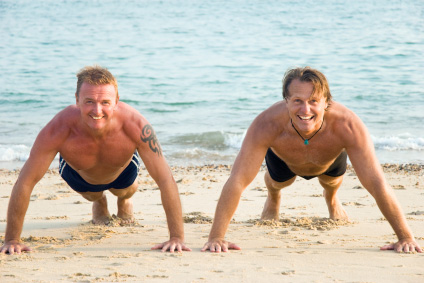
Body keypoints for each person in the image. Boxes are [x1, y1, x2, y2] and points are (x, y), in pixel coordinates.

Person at [202, 66, 422, 253]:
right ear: (286, 101)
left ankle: (332, 198)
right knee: (279, 181)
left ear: (326, 102)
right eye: (297, 100)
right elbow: (238, 179)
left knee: (331, 182)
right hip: (284, 159)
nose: (305, 109)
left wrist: (405, 237)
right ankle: (273, 196)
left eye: (313, 101)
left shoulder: (347, 126)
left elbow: (376, 182)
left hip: (328, 159)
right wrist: (216, 237)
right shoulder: (266, 125)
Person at [1, 65, 190, 254]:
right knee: (92, 194)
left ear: (116, 101)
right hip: (79, 173)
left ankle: (124, 201)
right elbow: (25, 182)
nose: (97, 110)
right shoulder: (58, 129)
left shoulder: (136, 126)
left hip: (121, 169)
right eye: (89, 101)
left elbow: (165, 179)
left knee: (124, 191)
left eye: (105, 102)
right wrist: (11, 239)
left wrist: (176, 238)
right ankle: (99, 201)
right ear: (77, 100)